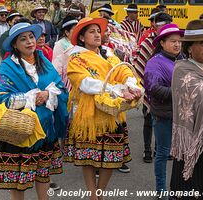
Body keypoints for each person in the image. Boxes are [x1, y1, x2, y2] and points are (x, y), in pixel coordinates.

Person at [64, 17, 143, 200]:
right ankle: (93, 195)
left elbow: (124, 71)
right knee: (88, 158)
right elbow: (84, 83)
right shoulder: (77, 58)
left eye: (98, 31)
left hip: (111, 113)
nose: (97, 34)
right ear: (82, 37)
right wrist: (114, 89)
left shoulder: (108, 54)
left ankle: (100, 193)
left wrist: (130, 83)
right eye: (92, 31)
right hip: (89, 115)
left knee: (111, 158)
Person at [0, 22, 68, 200]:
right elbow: (0, 97)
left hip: (44, 131)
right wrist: (32, 97)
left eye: (31, 37)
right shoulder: (8, 67)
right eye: (23, 39)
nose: (29, 42)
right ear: (14, 45)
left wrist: (48, 94)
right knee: (19, 180)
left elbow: (61, 88)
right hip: (20, 133)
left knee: (43, 175)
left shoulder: (44, 61)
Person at [170, 19, 203, 200]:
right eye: (202, 43)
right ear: (190, 48)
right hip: (193, 147)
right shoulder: (182, 71)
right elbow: (202, 98)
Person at [144, 24, 184, 195]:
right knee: (162, 152)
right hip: (164, 115)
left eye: (179, 41)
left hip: (182, 115)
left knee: (182, 153)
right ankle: (161, 188)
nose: (177, 45)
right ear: (162, 43)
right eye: (173, 41)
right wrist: (181, 91)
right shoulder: (155, 63)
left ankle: (180, 187)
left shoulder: (182, 60)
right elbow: (154, 89)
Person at [134, 12, 172, 163]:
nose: (163, 28)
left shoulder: (171, 43)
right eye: (161, 26)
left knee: (163, 120)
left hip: (164, 89)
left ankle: (160, 148)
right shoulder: (147, 43)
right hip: (148, 87)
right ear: (154, 26)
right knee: (148, 119)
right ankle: (147, 150)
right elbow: (139, 66)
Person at [52, 15, 78, 92]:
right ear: (67, 32)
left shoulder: (77, 44)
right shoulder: (60, 45)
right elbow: (58, 67)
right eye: (74, 30)